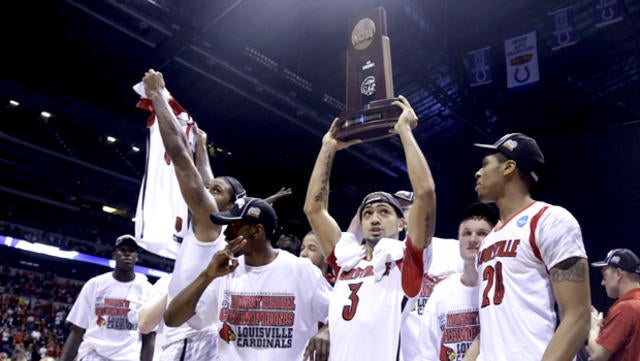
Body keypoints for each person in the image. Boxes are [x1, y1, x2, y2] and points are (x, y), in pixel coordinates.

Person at [303, 95, 436, 360]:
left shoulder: (406, 260)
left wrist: (405, 131)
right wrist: (327, 148)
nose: (374, 219)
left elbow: (425, 193)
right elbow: (313, 209)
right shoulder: (345, 260)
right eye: (368, 213)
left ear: (401, 222)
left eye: (384, 212)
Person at [468, 133, 590, 361]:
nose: (478, 172)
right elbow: (488, 329)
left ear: (509, 167)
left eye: (485, 165)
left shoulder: (550, 220)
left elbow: (578, 316)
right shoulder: (487, 242)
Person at [164, 197, 332, 360]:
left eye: (233, 226)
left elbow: (338, 312)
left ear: (257, 231)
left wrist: (328, 329)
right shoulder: (224, 271)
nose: (226, 233)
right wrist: (207, 275)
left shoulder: (300, 269)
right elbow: (171, 319)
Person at [417, 202, 498, 361]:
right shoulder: (441, 291)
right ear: (458, 240)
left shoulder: (503, 289)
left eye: (482, 233)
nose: (473, 239)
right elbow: (426, 352)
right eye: (466, 233)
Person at [59, 234, 156, 361]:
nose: (127, 254)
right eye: (122, 250)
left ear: (137, 257)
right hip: (92, 356)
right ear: (114, 254)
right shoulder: (94, 285)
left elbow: (149, 337)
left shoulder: (147, 290)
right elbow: (77, 330)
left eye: (131, 251)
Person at [586, 248, 640, 361]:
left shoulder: (626, 308)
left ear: (618, 273)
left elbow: (598, 355)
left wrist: (594, 326)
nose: (602, 282)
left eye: (605, 276)